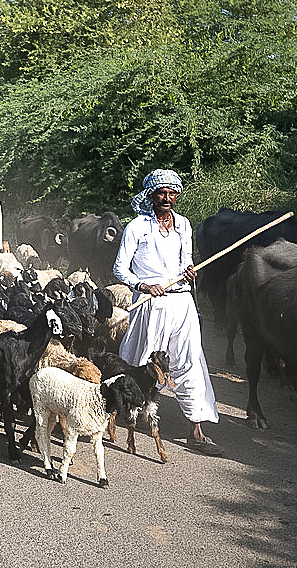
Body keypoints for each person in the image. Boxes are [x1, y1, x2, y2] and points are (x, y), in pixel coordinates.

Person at [112, 169, 223, 456]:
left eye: (172, 193)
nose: (167, 198)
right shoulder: (137, 227)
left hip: (181, 301)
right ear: (151, 195)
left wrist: (188, 272)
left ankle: (195, 429)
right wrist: (143, 285)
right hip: (150, 304)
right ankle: (112, 410)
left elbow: (185, 261)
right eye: (161, 193)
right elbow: (120, 268)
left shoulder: (184, 225)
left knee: (190, 360)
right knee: (137, 359)